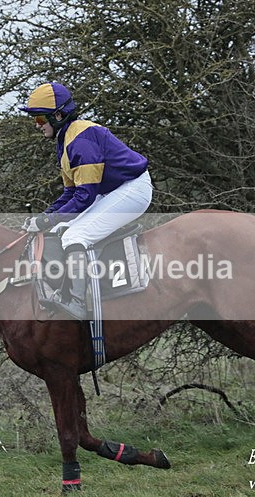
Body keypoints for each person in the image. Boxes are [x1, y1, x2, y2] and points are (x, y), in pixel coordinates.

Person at [20, 82, 153, 319]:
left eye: (40, 120)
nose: (37, 126)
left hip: (132, 189)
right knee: (62, 228)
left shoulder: (80, 141)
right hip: (113, 190)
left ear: (58, 115)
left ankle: (78, 303)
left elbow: (85, 197)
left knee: (74, 235)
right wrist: (44, 217)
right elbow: (70, 194)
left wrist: (47, 220)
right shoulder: (65, 140)